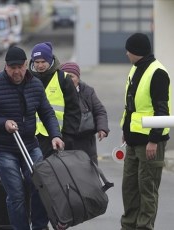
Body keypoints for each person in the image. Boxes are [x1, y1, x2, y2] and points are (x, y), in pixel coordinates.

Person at [0, 46, 65, 230]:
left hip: (30, 144)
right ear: (6, 67)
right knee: (16, 194)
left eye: (20, 67)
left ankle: (39, 226)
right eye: (12, 67)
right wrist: (3, 122)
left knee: (41, 186)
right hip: (4, 147)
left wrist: (55, 135)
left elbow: (46, 112)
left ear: (26, 65)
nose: (16, 71)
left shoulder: (35, 84)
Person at [120, 33, 171, 230]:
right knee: (130, 188)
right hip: (133, 141)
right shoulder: (136, 69)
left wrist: (154, 140)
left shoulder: (157, 73)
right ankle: (129, 226)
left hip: (149, 142)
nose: (126, 53)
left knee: (147, 189)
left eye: (129, 50)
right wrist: (126, 130)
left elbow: (162, 110)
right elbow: (132, 106)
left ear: (137, 52)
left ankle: (144, 227)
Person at [28, 42, 80, 158]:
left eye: (43, 62)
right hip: (32, 136)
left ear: (50, 61)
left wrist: (68, 136)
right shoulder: (27, 79)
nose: (40, 65)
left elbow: (74, 110)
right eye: (37, 62)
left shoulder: (63, 78)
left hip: (58, 137)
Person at [60, 62, 109, 164]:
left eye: (71, 76)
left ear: (78, 78)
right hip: (65, 141)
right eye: (65, 76)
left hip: (86, 142)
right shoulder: (56, 93)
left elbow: (99, 111)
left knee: (87, 174)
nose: (68, 79)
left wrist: (102, 128)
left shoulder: (88, 91)